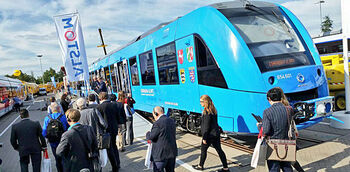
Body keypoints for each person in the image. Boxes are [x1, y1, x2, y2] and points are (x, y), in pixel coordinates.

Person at [259, 87, 293, 172]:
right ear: (281, 97)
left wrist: (259, 126)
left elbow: (266, 131)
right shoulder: (289, 109)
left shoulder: (267, 111)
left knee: (274, 168)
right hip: (286, 143)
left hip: (273, 144)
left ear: (269, 99)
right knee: (287, 166)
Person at [192, 95, 229, 172]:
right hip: (215, 134)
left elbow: (206, 127)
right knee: (219, 150)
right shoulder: (213, 110)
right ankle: (226, 168)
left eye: (201, 101)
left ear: (205, 102)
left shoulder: (206, 112)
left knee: (203, 150)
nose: (200, 103)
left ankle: (200, 166)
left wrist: (204, 138)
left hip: (209, 135)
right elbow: (214, 123)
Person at [275, 87, 304, 172]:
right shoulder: (287, 106)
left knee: (288, 161)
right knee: (290, 159)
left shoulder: (281, 108)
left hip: (285, 137)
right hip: (290, 136)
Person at [146, 106, 177, 172]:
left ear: (156, 113)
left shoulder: (157, 123)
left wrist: (148, 134)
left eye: (153, 114)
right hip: (171, 153)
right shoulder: (171, 120)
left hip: (160, 155)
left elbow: (151, 137)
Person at [96, 92, 121, 171]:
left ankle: (115, 167)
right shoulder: (114, 105)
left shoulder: (99, 107)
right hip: (114, 128)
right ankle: (118, 163)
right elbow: (118, 117)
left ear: (100, 98)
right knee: (114, 145)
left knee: (109, 148)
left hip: (106, 130)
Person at [42, 102, 68, 172]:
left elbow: (44, 133)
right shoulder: (63, 117)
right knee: (64, 158)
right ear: (59, 108)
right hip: (63, 141)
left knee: (57, 159)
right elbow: (68, 129)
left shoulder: (47, 118)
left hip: (53, 142)